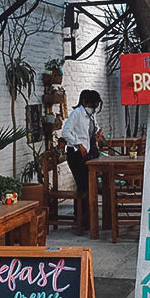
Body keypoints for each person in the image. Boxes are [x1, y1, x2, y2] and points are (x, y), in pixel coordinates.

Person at [61, 89, 105, 232]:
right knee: (83, 185)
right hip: (76, 155)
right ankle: (80, 218)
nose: (94, 108)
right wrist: (78, 144)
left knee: (90, 184)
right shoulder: (77, 114)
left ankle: (88, 218)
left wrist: (98, 134)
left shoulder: (90, 115)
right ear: (86, 103)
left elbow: (94, 129)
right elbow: (65, 132)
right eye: (93, 105)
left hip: (89, 153)